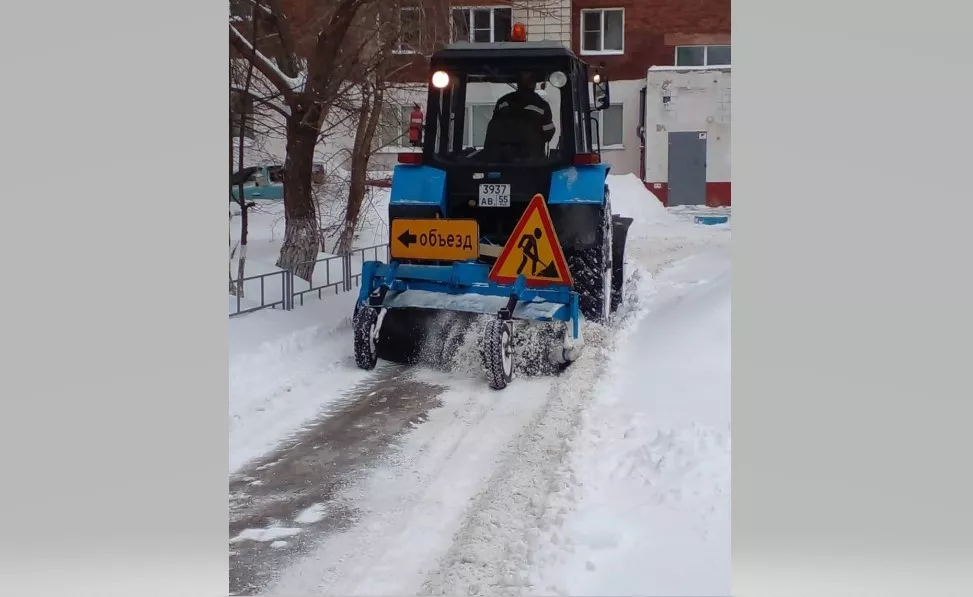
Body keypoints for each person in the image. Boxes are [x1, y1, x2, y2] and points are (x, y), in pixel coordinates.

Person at [489, 71, 556, 157]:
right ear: (534, 83)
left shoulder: (503, 102)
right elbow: (548, 132)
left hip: (503, 159)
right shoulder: (541, 105)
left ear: (518, 83)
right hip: (533, 160)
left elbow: (493, 129)